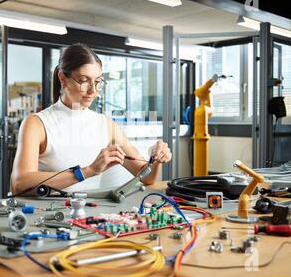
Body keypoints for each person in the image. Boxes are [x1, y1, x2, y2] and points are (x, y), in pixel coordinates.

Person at [10, 43, 171, 196]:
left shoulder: (106, 125)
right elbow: (19, 184)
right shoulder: (37, 124)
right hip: (46, 217)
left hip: (89, 218)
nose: (93, 90)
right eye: (83, 80)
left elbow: (146, 177)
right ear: (63, 78)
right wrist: (88, 171)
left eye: (97, 82)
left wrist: (155, 159)